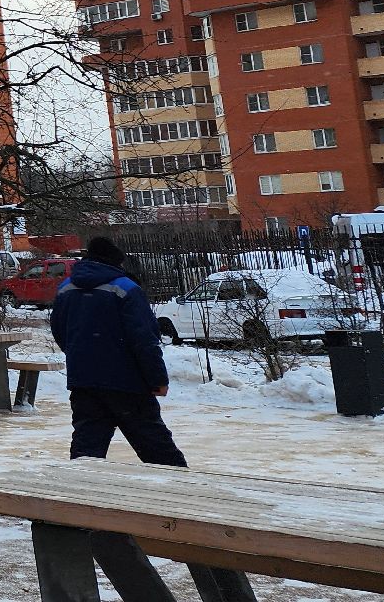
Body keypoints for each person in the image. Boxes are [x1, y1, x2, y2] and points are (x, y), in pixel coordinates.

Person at [51, 236, 256, 602]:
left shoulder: (66, 287)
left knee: (86, 445)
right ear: (117, 261)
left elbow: (60, 333)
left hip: (85, 380)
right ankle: (187, 505)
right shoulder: (126, 288)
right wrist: (156, 378)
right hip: (127, 382)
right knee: (156, 446)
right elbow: (144, 337)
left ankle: (77, 506)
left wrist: (85, 357)